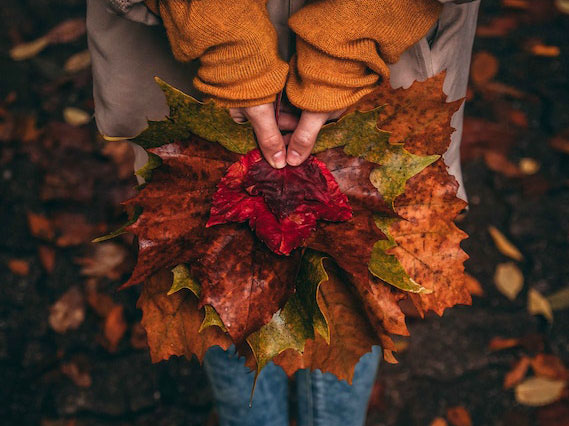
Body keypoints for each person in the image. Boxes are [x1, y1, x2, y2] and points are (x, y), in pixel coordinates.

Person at [86, 1, 480, 424]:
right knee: (218, 286)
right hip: (192, 61)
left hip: (381, 63)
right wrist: (227, 45)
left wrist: (349, 48)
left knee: (360, 270)